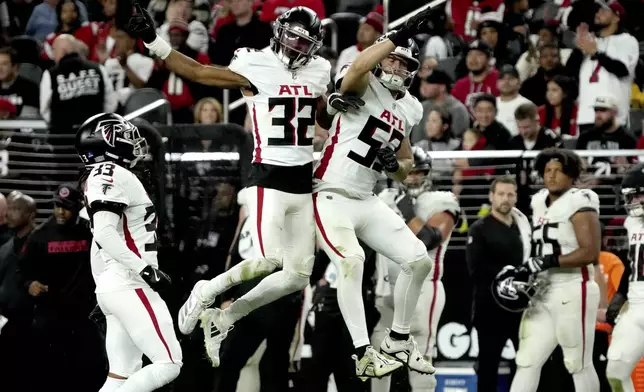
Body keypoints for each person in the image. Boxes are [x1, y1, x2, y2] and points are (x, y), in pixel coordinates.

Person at [128, 6, 332, 367]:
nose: (295, 46)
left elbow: (318, 117)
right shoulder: (254, 63)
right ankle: (205, 291)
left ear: (314, 45)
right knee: (267, 260)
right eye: (291, 36)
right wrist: (153, 41)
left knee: (298, 275)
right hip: (267, 176)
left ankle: (226, 317)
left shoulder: (319, 70)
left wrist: (335, 110)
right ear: (278, 32)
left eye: (304, 41)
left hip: (303, 181)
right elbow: (197, 71)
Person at [313, 8, 438, 379]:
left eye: (405, 66)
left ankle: (398, 338)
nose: (397, 70)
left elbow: (405, 166)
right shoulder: (364, 81)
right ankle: (363, 352)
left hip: (366, 199)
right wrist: (394, 37)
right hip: (331, 192)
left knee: (418, 261)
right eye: (394, 62)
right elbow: (354, 69)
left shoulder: (411, 108)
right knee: (352, 262)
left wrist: (392, 165)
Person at [76, 112, 182, 392]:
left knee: (122, 375)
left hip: (116, 284)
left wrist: (104, 286)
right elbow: (104, 234)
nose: (131, 138)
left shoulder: (99, 176)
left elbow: (98, 245)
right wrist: (146, 271)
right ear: (107, 140)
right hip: (129, 283)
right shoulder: (109, 173)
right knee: (169, 363)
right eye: (123, 132)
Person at [509, 147, 602, 392]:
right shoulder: (539, 201)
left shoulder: (580, 200)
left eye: (558, 170)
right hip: (542, 290)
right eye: (547, 170)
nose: (551, 175)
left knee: (578, 363)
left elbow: (590, 252)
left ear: (571, 175)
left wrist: (547, 261)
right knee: (526, 361)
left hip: (574, 287)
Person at [371, 147, 460, 392]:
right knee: (380, 357)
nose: (411, 178)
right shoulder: (383, 198)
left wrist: (405, 207)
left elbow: (428, 239)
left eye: (417, 172)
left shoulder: (441, 201)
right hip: (386, 287)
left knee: (419, 356)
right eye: (407, 172)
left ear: (427, 174)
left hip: (423, 287)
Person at [17, 184, 105, 391]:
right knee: (50, 371)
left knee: (89, 370)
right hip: (51, 316)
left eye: (65, 206)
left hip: (84, 315)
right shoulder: (40, 236)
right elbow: (21, 270)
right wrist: (30, 284)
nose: (60, 212)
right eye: (57, 206)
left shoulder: (90, 233)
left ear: (77, 207)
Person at [467, 175, 531, 392]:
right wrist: (509, 276)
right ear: (491, 196)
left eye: (510, 194)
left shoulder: (524, 228)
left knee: (527, 363)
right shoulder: (479, 228)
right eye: (501, 194)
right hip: (490, 310)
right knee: (488, 366)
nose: (506, 199)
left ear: (516, 197)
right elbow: (476, 270)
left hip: (522, 309)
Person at [604, 163, 644, 392]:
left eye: (639, 195)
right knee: (616, 371)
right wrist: (620, 296)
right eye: (631, 197)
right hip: (637, 304)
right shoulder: (632, 223)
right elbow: (632, 265)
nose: (633, 202)